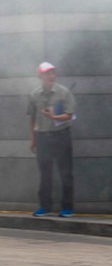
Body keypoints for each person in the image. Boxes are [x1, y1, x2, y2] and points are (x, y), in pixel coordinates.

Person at [28, 62, 76, 217]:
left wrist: (53, 116)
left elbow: (70, 115)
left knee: (65, 172)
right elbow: (32, 118)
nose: (51, 76)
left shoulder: (64, 92)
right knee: (45, 173)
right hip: (42, 137)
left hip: (61, 135)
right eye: (47, 73)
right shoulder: (34, 95)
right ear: (40, 76)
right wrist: (33, 139)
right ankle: (45, 206)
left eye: (53, 73)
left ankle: (67, 207)